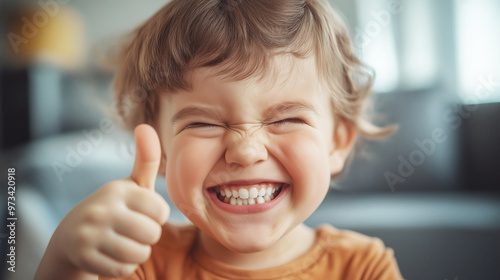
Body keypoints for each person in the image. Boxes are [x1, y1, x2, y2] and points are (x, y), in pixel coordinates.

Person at [35, 0, 403, 279]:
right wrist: (62, 263)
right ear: (161, 151)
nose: (244, 151)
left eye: (288, 118)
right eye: (203, 124)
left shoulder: (364, 267)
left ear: (337, 142)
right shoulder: (139, 262)